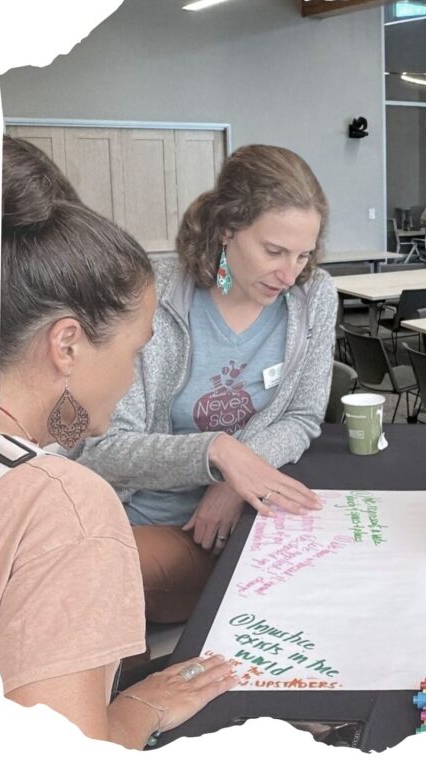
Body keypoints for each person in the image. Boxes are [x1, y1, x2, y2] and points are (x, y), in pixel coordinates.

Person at [0, 135, 236, 748]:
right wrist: (139, 709)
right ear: (67, 344)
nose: (133, 376)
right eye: (134, 350)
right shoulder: (64, 507)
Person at [73, 144, 338, 623]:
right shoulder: (149, 293)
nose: (289, 273)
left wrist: (236, 481)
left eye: (303, 254)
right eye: (274, 251)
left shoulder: (313, 293)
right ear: (225, 230)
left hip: (255, 517)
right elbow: (99, 449)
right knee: (85, 577)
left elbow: (302, 416)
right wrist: (216, 454)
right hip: (152, 520)